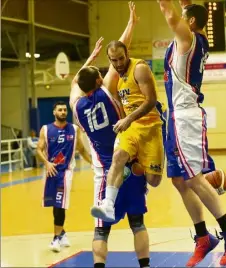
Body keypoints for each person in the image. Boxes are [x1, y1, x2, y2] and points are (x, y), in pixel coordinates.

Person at [158, 0, 226, 267]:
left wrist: (171, 6)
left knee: (194, 180)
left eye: (186, 16)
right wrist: (187, 5)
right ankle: (202, 236)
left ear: (191, 23)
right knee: (178, 180)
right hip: (175, 116)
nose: (181, 18)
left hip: (186, 116)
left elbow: (168, 11)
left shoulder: (188, 38)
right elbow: (183, 12)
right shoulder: (193, 38)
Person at [70, 3, 151, 268]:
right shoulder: (107, 91)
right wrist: (132, 23)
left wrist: (88, 60)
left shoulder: (76, 107)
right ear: (98, 81)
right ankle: (145, 266)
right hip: (128, 163)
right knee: (137, 224)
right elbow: (120, 50)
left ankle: (99, 267)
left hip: (104, 173)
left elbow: (74, 83)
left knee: (101, 231)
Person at [90, 3, 167, 223]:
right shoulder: (115, 74)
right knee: (118, 156)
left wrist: (131, 23)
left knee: (153, 180)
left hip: (150, 128)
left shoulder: (139, 68)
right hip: (131, 129)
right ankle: (108, 205)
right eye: (113, 61)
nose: (117, 63)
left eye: (120, 59)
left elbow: (151, 101)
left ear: (127, 55)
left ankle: (133, 166)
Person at [37, 100, 91, 252]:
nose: (63, 112)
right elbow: (39, 149)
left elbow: (81, 149)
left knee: (60, 204)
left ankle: (55, 239)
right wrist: (47, 163)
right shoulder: (46, 129)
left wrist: (93, 163)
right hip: (50, 172)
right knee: (54, 204)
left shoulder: (74, 129)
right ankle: (62, 233)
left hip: (65, 172)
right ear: (54, 112)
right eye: (60, 110)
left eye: (65, 110)